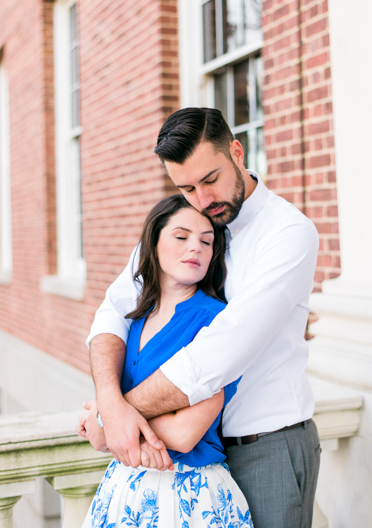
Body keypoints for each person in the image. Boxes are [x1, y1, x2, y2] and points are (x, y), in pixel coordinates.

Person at [81, 108, 321, 528]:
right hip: (192, 458)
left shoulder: (287, 233)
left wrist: (114, 415)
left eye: (210, 180)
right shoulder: (186, 225)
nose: (203, 200)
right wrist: (108, 398)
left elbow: (217, 355)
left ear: (236, 151)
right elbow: (113, 311)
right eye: (186, 187)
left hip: (265, 446)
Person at [78, 194, 253, 527]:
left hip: (190, 494)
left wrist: (107, 418)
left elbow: (186, 432)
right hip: (124, 489)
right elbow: (108, 430)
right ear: (153, 242)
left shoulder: (216, 322)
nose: (197, 248)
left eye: (207, 241)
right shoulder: (133, 321)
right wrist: (112, 418)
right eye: (181, 236)